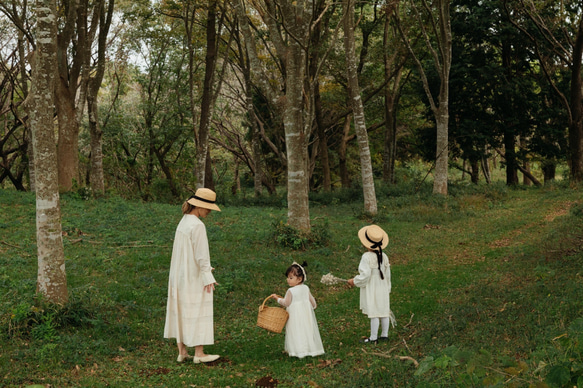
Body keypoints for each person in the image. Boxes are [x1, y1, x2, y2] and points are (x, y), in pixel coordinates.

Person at [164, 188, 222, 364]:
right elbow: (201, 254)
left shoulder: (183, 222)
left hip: (180, 274)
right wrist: (207, 275)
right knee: (198, 307)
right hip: (192, 275)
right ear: (198, 206)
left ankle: (182, 351)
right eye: (207, 207)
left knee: (181, 307)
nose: (209, 211)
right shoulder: (197, 225)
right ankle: (199, 353)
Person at [347, 224, 397, 344]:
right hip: (382, 286)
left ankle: (373, 337)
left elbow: (365, 275)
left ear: (365, 243)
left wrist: (355, 281)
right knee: (384, 310)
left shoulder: (366, 257)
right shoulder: (384, 256)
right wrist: (387, 287)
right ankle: (384, 335)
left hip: (372, 287)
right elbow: (387, 274)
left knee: (374, 311)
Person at [270, 261, 325, 358]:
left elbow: (286, 303)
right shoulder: (306, 288)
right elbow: (313, 303)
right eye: (288, 277)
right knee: (305, 330)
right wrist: (309, 308)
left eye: (291, 278)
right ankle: (308, 349)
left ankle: (298, 351)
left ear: (299, 279)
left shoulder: (290, 291)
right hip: (305, 315)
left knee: (295, 331)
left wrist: (277, 299)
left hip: (294, 315)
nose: (288, 280)